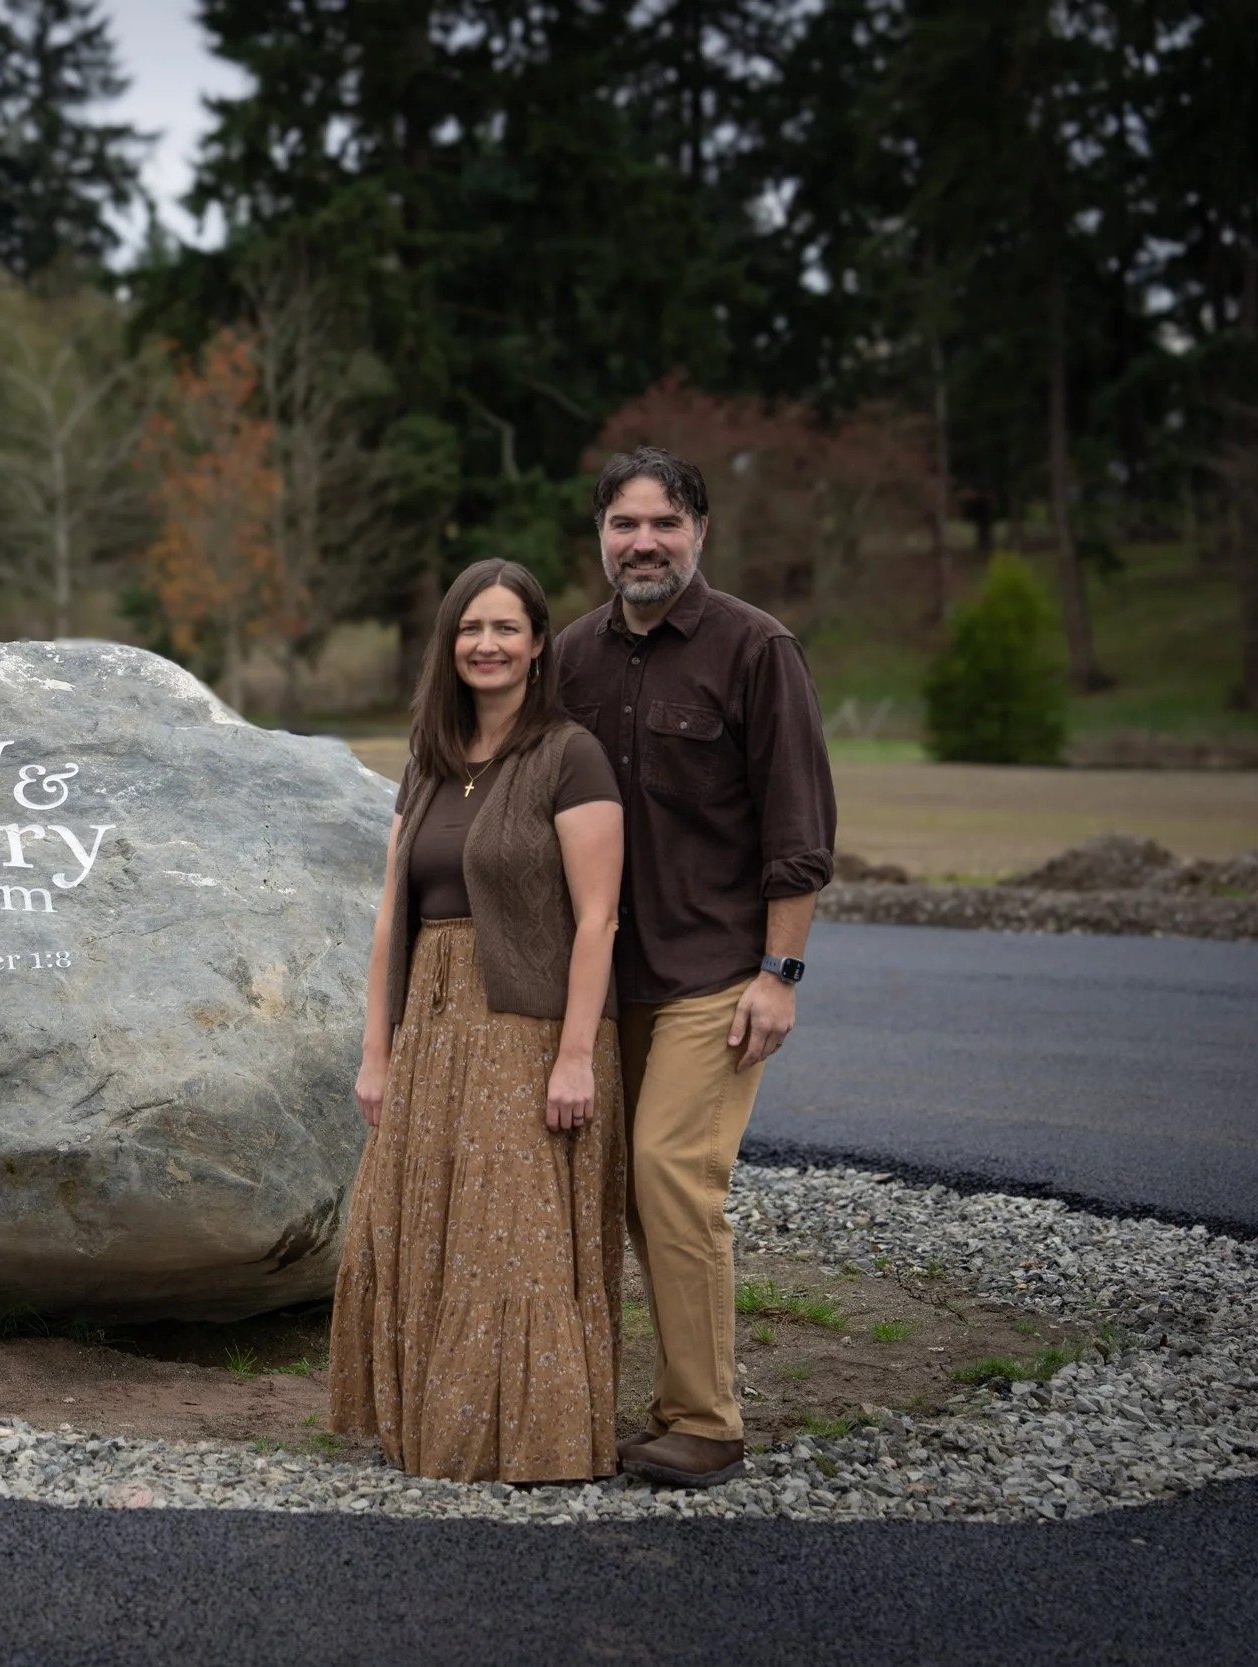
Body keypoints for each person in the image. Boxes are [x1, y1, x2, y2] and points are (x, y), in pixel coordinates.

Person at [557, 446, 838, 1489]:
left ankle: (706, 1420)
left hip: (714, 971)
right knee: (616, 1187)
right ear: (598, 535)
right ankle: (612, 1399)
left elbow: (798, 826)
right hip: (597, 978)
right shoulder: (568, 657)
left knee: (672, 1172)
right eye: (624, 523)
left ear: (700, 532)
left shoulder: (755, 649)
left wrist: (781, 970)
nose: (643, 542)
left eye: (663, 523)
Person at [328, 558, 628, 1484]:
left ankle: (535, 1441)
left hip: (529, 1028)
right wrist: (376, 1051)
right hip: (432, 1022)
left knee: (513, 1237)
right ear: (448, 643)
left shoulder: (568, 755)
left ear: (539, 644)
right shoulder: (426, 763)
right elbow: (391, 914)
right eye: (470, 628)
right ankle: (433, 1426)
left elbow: (599, 917)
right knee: (423, 1223)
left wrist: (575, 1054)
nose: (486, 644)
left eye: (506, 628)